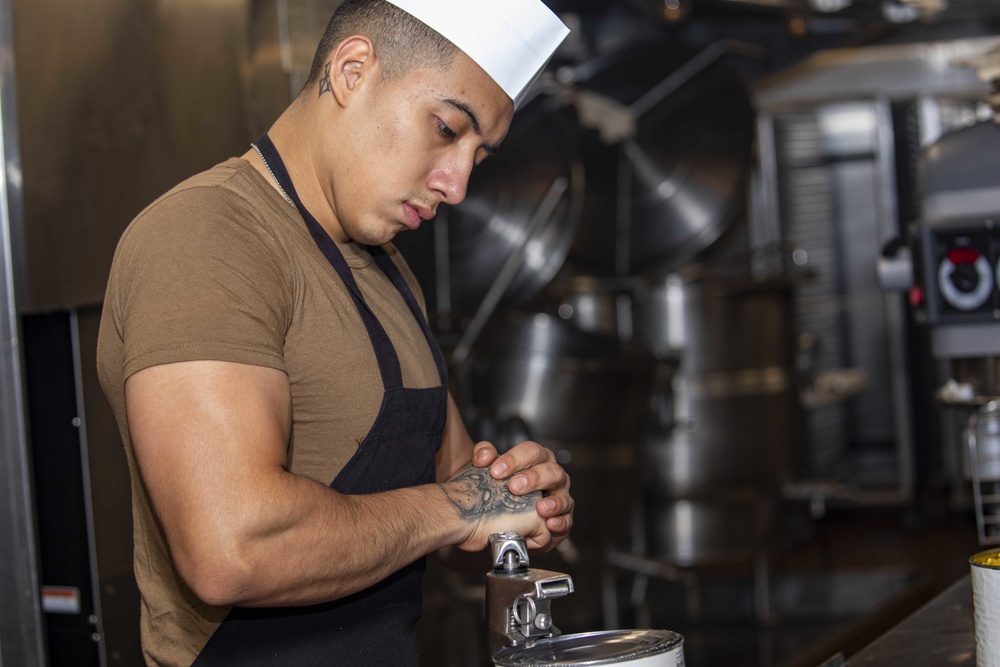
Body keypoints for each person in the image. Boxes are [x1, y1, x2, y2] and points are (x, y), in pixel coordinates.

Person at [96, 0, 573, 665]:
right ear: (352, 70)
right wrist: (462, 506)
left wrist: (514, 500)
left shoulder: (386, 265)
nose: (457, 184)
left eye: (478, 156)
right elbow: (234, 548)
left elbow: (453, 487)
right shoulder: (206, 237)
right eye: (445, 128)